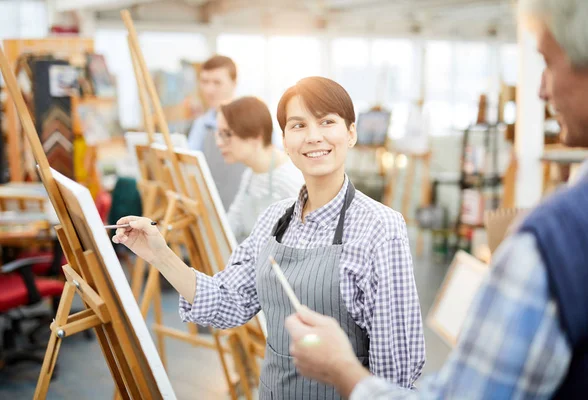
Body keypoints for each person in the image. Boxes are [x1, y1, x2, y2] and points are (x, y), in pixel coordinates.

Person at [284, 1, 588, 399]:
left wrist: (343, 371)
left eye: (549, 62)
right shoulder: (279, 220)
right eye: (298, 126)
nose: (540, 89)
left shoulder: (552, 242)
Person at [112, 76, 425, 399]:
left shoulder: (382, 229)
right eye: (298, 125)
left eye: (327, 122)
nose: (313, 137)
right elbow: (227, 301)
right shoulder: (274, 219)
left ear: (351, 133)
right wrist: (160, 255)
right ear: (286, 140)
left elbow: (396, 371)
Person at [216, 96, 304, 243]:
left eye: (227, 134)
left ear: (256, 136)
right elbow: (232, 224)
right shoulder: (250, 174)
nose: (219, 143)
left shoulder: (291, 180)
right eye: (219, 134)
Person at [188, 55, 245, 209]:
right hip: (210, 211)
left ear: (234, 84)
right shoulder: (200, 124)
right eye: (205, 82)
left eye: (217, 83)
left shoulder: (251, 122)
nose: (209, 90)